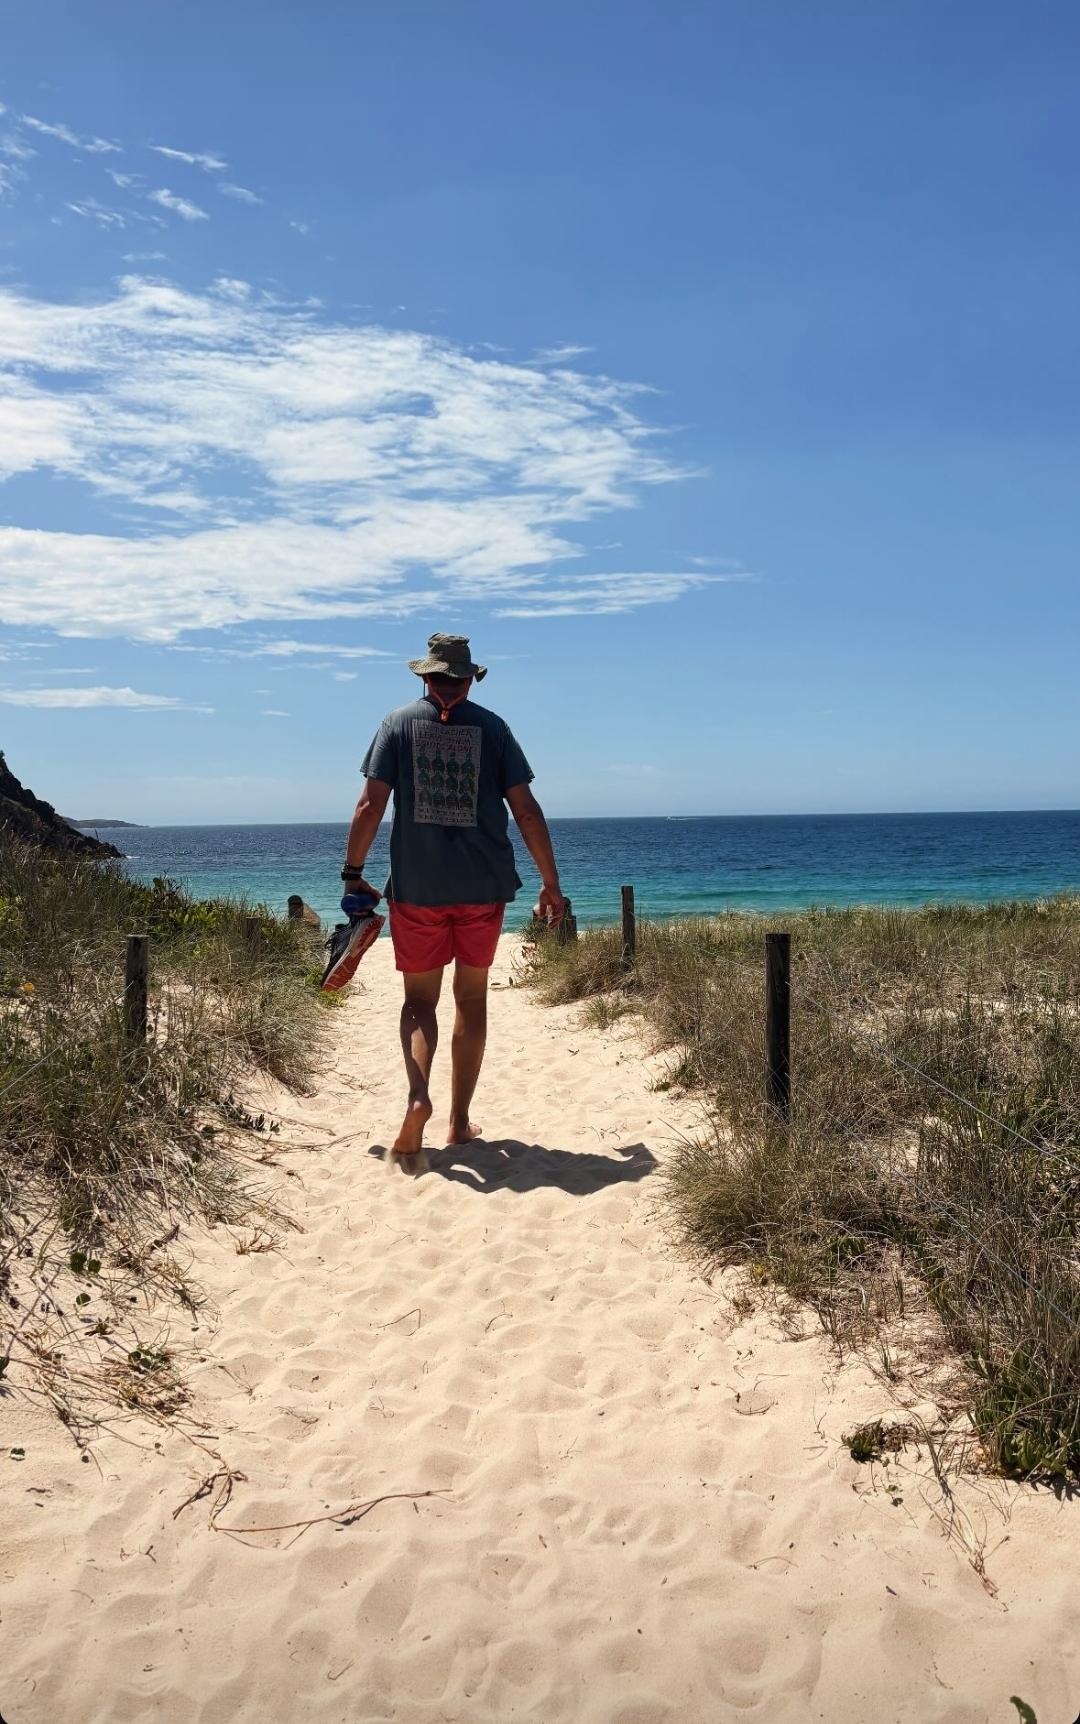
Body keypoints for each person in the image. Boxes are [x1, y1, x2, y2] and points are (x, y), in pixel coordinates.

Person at [342, 633, 565, 1159]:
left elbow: (368, 808)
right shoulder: (493, 728)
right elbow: (527, 812)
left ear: (424, 677)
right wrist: (550, 883)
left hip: (417, 889)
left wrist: (353, 872)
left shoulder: (396, 725)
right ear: (468, 679)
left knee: (420, 1001)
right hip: (483, 889)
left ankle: (419, 1098)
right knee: (471, 999)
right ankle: (459, 1122)